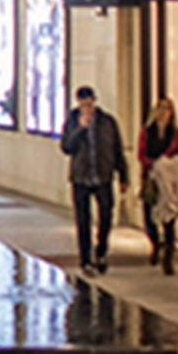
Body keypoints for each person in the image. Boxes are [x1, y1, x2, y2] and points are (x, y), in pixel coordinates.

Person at [60, 85, 129, 277]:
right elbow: (66, 147)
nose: (86, 108)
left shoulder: (107, 122)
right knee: (83, 220)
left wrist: (123, 174)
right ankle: (85, 259)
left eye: (89, 104)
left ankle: (101, 249)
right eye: (83, 105)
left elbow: (117, 149)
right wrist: (80, 128)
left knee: (106, 215)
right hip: (81, 178)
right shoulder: (73, 122)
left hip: (103, 176)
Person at [136, 97, 178, 275]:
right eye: (160, 107)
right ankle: (154, 243)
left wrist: (168, 163)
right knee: (149, 216)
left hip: (169, 181)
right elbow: (141, 153)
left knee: (169, 217)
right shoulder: (146, 132)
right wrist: (153, 165)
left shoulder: (176, 133)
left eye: (166, 108)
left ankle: (168, 254)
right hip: (151, 178)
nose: (163, 111)